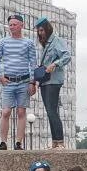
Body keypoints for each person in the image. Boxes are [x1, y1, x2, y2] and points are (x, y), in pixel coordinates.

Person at [0, 14, 36, 151]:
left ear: (21, 25)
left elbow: (33, 63)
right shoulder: (3, 42)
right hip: (8, 81)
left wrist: (32, 82)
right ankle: (3, 142)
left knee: (21, 112)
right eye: (10, 25)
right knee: (5, 112)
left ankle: (18, 142)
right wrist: (0, 76)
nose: (12, 27)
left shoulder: (28, 43)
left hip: (23, 81)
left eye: (14, 24)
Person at [34, 18, 72, 149]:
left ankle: (60, 141)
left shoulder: (56, 41)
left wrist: (55, 64)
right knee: (50, 111)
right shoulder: (45, 44)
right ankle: (55, 142)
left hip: (54, 80)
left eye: (42, 30)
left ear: (47, 29)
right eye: (38, 31)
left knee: (52, 111)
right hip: (45, 81)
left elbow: (67, 56)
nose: (40, 33)